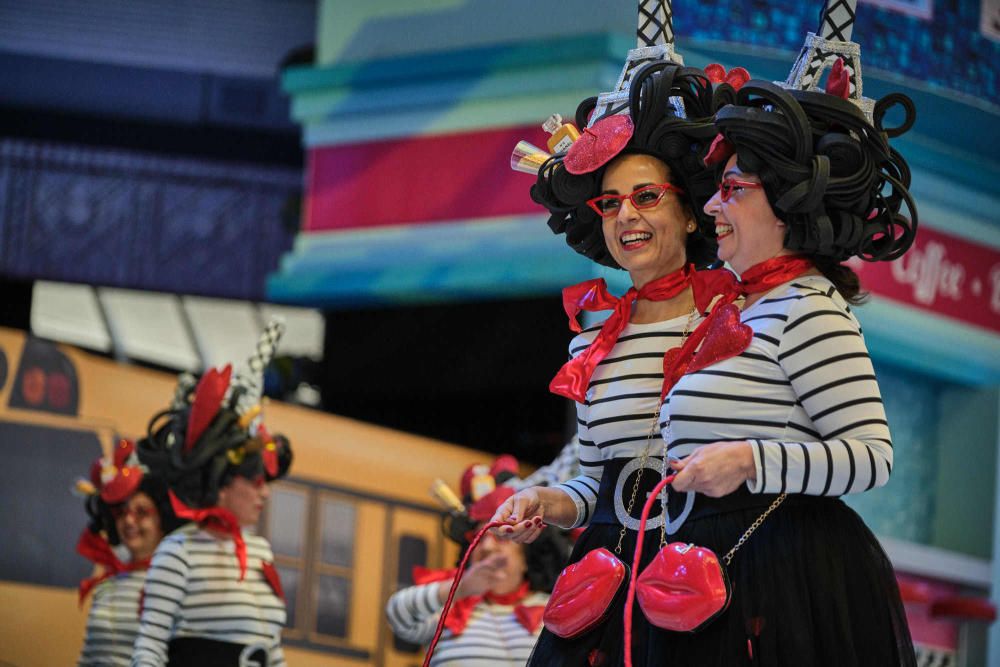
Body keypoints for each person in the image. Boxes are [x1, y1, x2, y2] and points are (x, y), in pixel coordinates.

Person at [633, 72, 918, 665]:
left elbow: (872, 456)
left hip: (783, 576)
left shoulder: (810, 306)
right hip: (709, 563)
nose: (711, 204)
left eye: (733, 188)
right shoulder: (737, 308)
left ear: (788, 201)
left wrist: (749, 460)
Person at [491, 61, 737, 665]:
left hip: (714, 570)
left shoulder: (738, 320)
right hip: (610, 574)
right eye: (610, 203)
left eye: (646, 197)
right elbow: (598, 484)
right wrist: (542, 501)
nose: (626, 216)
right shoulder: (590, 342)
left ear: (689, 212)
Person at [131, 320, 294, 667]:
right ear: (222, 485)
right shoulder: (178, 553)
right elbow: (149, 648)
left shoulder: (260, 551)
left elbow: (272, 649)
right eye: (254, 481)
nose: (264, 493)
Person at [385, 456, 570, 666]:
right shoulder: (448, 607)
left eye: (501, 537)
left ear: (528, 556)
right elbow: (397, 613)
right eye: (478, 537)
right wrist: (462, 587)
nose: (487, 547)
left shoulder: (554, 609)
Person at [76, 439, 185, 667]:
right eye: (121, 512)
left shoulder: (174, 586)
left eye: (141, 512)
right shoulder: (106, 585)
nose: (129, 521)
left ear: (162, 519)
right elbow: (88, 657)